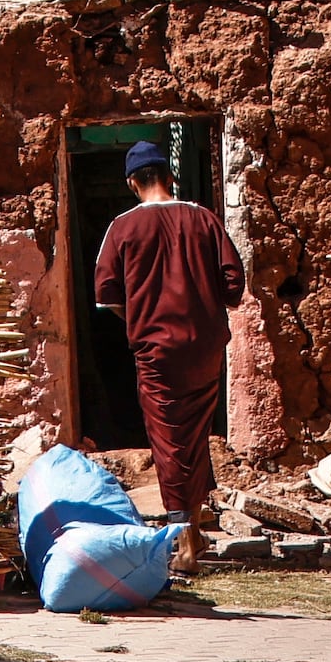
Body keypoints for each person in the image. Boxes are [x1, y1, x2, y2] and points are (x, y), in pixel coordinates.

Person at [89, 138, 242, 525]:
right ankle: (198, 517)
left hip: (157, 348)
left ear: (131, 183)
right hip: (205, 346)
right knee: (195, 431)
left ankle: (184, 535)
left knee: (168, 437)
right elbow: (233, 284)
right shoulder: (204, 218)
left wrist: (140, 319)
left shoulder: (121, 228)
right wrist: (202, 306)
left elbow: (106, 293)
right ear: (170, 176)